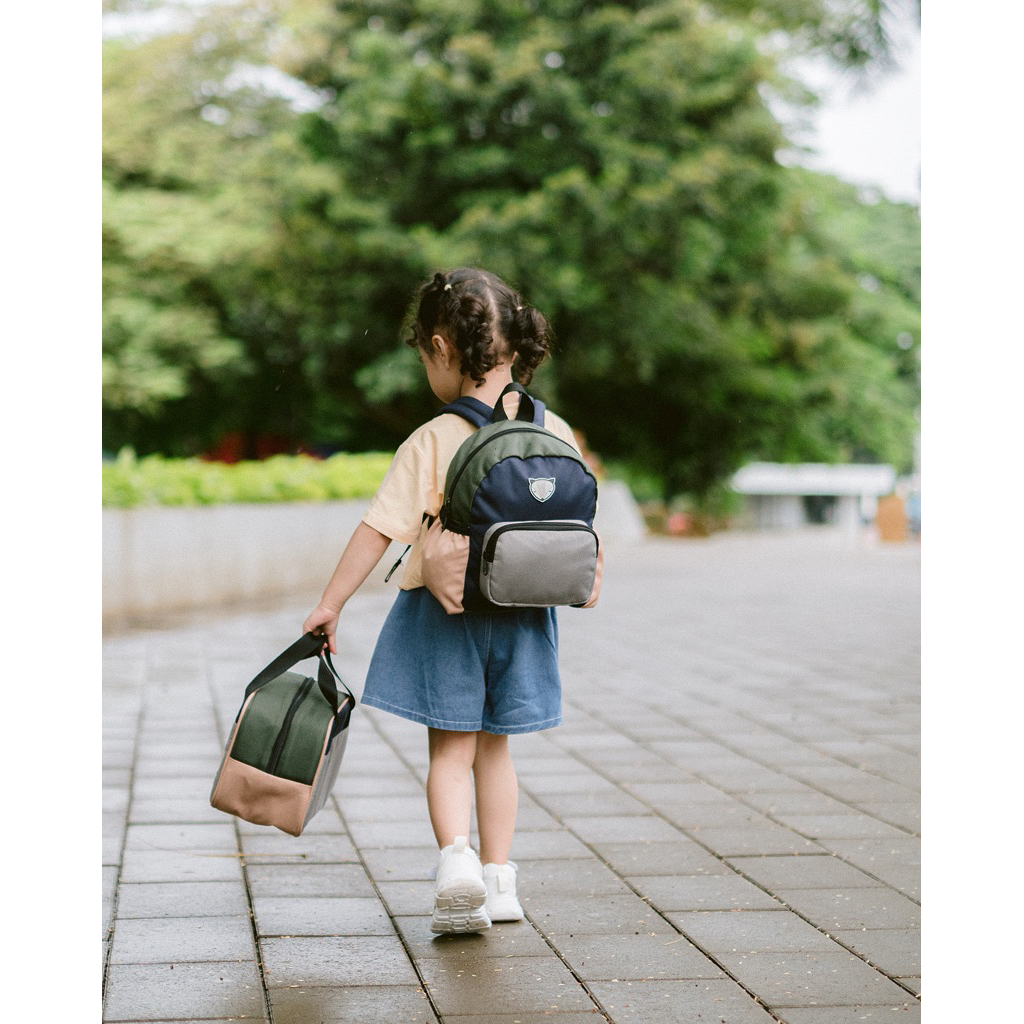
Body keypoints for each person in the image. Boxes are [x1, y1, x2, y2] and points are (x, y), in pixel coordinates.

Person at [302, 267, 584, 933]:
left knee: (450, 752)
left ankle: (455, 864)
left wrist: (330, 604)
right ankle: (501, 881)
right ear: (518, 346)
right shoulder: (558, 432)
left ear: (441, 348)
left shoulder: (433, 438)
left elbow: (379, 528)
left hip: (446, 613)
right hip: (525, 615)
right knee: (498, 751)